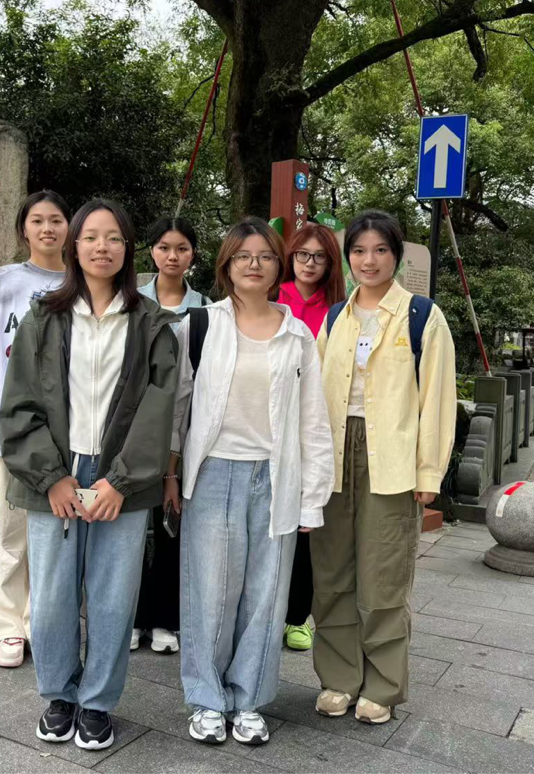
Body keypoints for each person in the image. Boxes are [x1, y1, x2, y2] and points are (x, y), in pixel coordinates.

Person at [0, 198, 180, 752]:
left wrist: (121, 481)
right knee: (53, 595)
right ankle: (59, 695)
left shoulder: (151, 323)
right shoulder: (44, 317)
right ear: (74, 246)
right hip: (55, 470)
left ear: (128, 249)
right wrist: (50, 477)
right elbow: (20, 401)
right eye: (92, 237)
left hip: (122, 476)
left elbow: (159, 408)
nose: (103, 247)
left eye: (114, 237)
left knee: (112, 597)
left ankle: (97, 702)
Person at [171, 217, 333, 746]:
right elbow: (177, 408)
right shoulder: (201, 325)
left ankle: (248, 701)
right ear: (227, 264)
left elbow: (313, 420)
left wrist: (312, 499)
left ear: (277, 265)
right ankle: (206, 698)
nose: (254, 265)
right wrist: (171, 473)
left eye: (264, 256)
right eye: (243, 256)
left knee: (266, 596)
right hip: (213, 472)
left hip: (276, 475)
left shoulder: (297, 334)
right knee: (211, 591)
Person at [312, 210, 456, 725]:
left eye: (379, 250)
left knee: (384, 578)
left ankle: (383, 685)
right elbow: (313, 399)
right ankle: (339, 679)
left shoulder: (422, 316)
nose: (368, 261)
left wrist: (428, 473)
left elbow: (437, 399)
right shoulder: (335, 318)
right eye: (358, 251)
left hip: (391, 460)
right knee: (332, 575)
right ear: (347, 257)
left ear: (396, 255)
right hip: (334, 458)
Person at [0, 190, 70, 670]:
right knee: (7, 531)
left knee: (55, 532)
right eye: (37, 220)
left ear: (69, 227)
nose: (47, 228)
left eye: (56, 219)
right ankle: (8, 626)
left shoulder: (81, 281)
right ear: (23, 229)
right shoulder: (0, 282)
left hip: (64, 433)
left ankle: (41, 620)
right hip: (8, 431)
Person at [132, 216, 210, 656]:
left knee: (170, 527)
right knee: (128, 529)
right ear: (152, 251)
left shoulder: (206, 310)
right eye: (164, 247)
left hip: (182, 427)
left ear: (192, 254)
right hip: (134, 428)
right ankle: (132, 618)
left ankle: (165, 619)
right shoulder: (132, 302)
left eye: (182, 248)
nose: (172, 256)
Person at [276, 223, 345, 652]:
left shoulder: (338, 309)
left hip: (316, 424)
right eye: (303, 254)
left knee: (306, 525)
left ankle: (297, 615)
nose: (310, 263)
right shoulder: (271, 297)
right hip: (270, 425)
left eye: (320, 256)